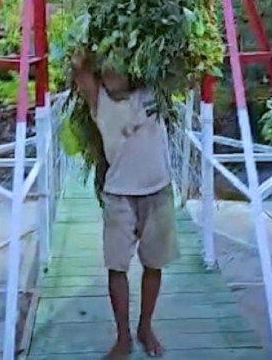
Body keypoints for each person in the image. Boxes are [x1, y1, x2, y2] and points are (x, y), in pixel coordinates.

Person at [71, 51, 179, 359]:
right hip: (119, 194)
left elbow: (177, 62)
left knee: (153, 264)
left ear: (132, 70)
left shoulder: (151, 92)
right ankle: (123, 338)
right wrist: (91, 51)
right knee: (116, 266)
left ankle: (146, 327)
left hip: (158, 191)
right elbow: (79, 66)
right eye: (105, 70)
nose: (110, 74)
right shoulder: (99, 102)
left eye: (116, 68)